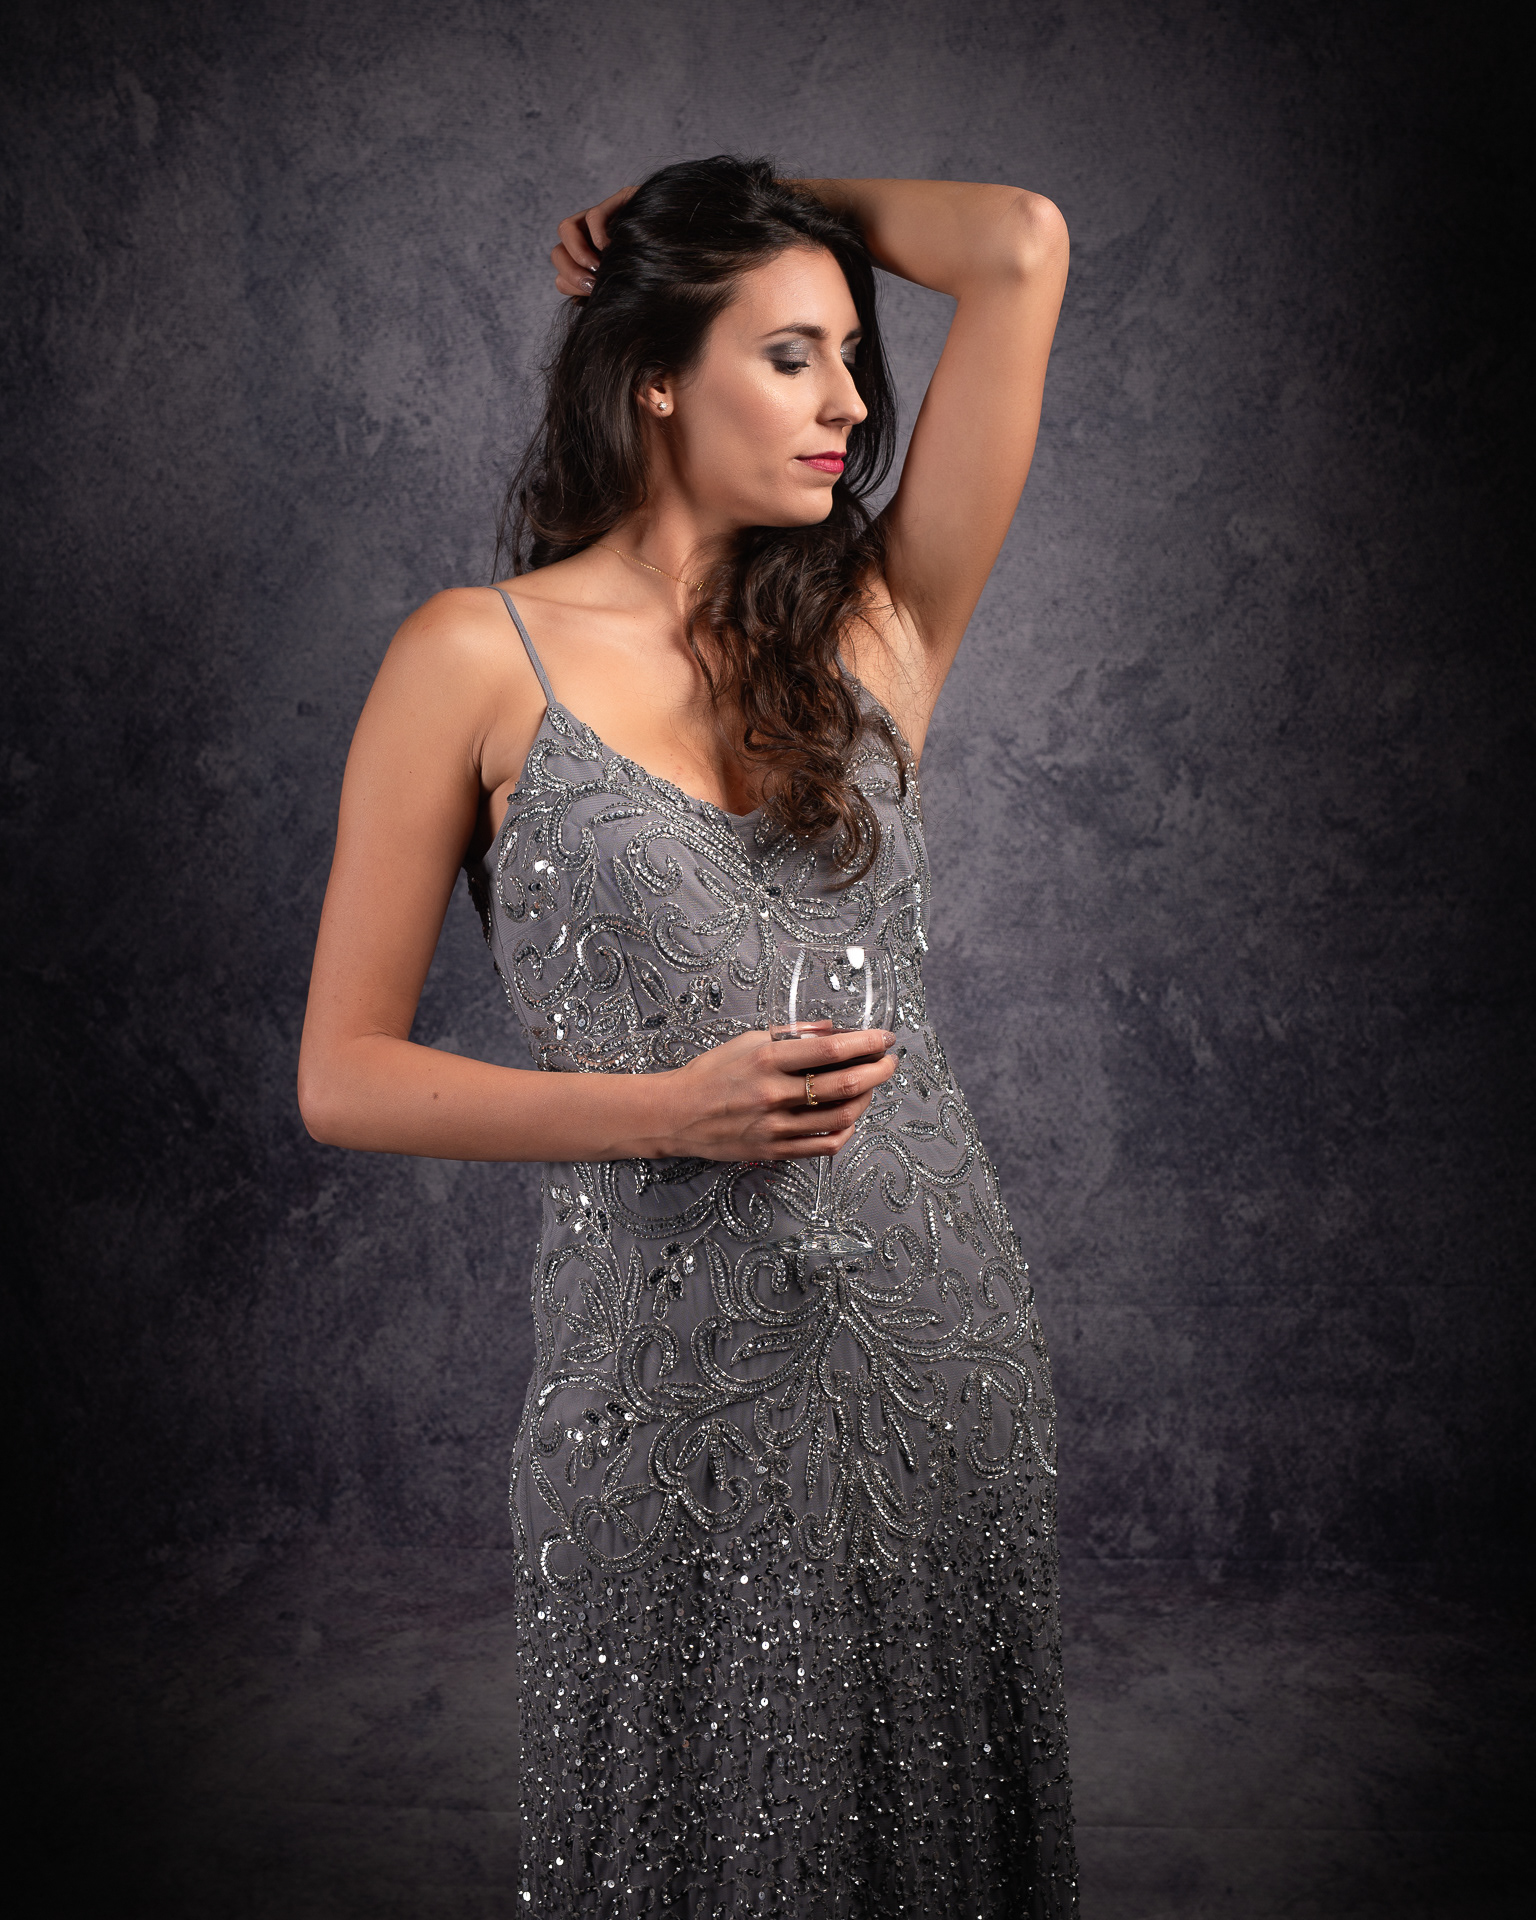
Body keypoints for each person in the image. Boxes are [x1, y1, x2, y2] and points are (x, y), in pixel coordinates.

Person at [299, 156, 1074, 1917]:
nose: (850, 402)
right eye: (791, 355)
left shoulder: (876, 624)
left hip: (939, 1349)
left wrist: (761, 197)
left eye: (854, 356)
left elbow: (1021, 247)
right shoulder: (472, 657)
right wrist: (669, 1110)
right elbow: (342, 1076)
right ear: (655, 374)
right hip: (660, 1395)